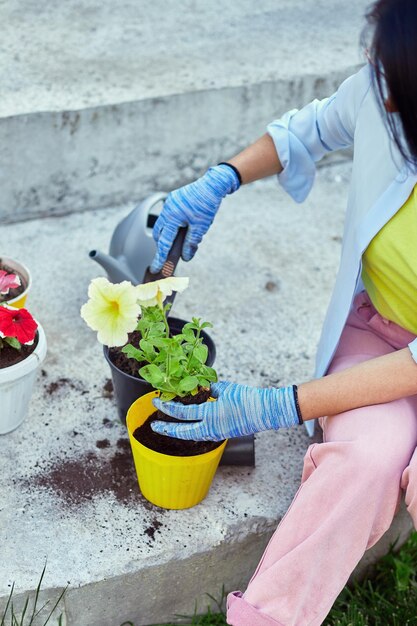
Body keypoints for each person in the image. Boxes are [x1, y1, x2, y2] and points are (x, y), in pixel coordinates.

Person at [149, 0, 417, 624]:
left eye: (398, 86)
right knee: (363, 461)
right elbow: (311, 128)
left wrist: (278, 404)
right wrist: (221, 178)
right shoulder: (386, 92)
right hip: (378, 333)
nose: (383, 96)